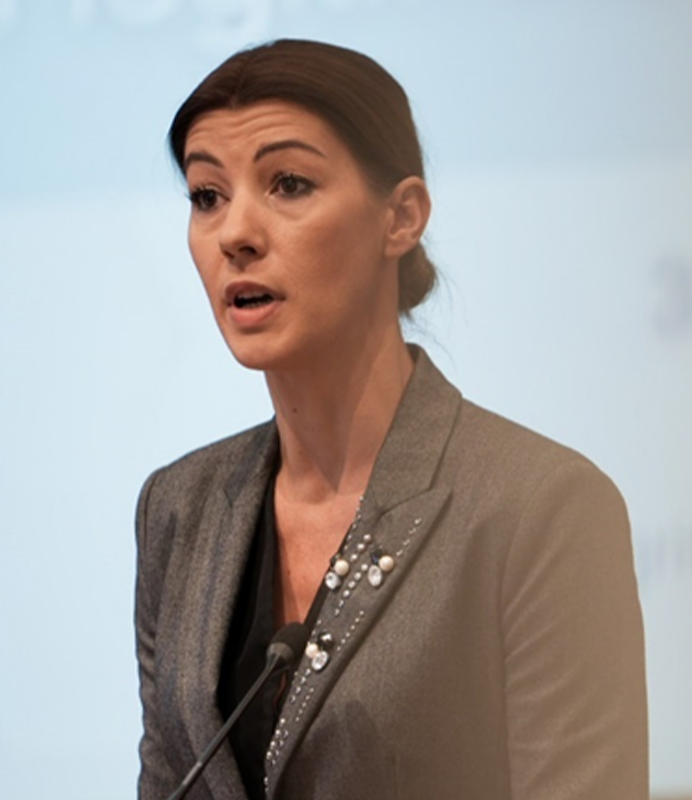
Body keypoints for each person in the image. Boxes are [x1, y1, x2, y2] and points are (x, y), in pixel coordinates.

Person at [133, 39, 648, 800]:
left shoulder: (539, 508)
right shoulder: (179, 510)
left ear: (401, 217)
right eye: (207, 195)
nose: (234, 233)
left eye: (288, 184)